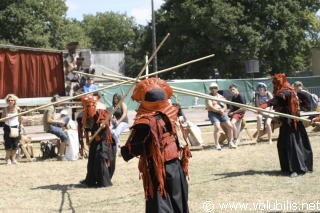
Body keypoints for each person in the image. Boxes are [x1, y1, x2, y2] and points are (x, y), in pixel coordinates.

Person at [121, 78, 191, 213]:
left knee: (161, 205)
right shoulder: (172, 113)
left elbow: (133, 149)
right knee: (177, 203)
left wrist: (125, 151)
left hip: (159, 168)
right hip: (176, 165)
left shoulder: (145, 122)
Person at [259, 73, 313, 178]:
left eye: (277, 82)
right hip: (286, 123)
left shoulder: (286, 91)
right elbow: (277, 102)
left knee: (292, 146)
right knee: (282, 144)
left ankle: (296, 169)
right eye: (274, 83)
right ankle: (287, 167)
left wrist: (263, 105)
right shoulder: (281, 91)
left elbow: (275, 100)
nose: (275, 84)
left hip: (292, 123)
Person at [80, 94, 116, 187]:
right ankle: (91, 180)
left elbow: (105, 122)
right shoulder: (86, 114)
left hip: (104, 138)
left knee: (100, 158)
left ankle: (103, 182)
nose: (88, 107)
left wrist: (103, 124)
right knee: (92, 159)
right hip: (94, 138)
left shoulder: (101, 110)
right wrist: (87, 140)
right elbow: (87, 127)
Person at [205, 82, 235, 150]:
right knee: (217, 127)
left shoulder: (221, 97)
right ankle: (217, 144)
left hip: (221, 113)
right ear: (210, 89)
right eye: (212, 88)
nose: (213, 89)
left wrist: (222, 110)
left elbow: (225, 106)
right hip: (213, 114)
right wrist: (219, 111)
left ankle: (230, 142)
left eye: (215, 88)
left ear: (217, 89)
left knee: (230, 126)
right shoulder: (208, 97)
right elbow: (210, 107)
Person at [43, 94, 69, 161]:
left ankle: (64, 129)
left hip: (54, 125)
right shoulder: (50, 108)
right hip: (49, 127)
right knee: (65, 137)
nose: (60, 103)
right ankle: (61, 155)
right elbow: (48, 120)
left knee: (67, 118)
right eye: (59, 101)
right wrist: (58, 122)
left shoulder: (53, 107)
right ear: (54, 101)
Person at [1, 94, 23, 165]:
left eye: (12, 100)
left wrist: (21, 125)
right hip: (8, 128)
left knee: (15, 144)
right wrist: (7, 118)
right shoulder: (5, 109)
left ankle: (13, 159)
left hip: (16, 127)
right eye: (9, 100)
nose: (10, 101)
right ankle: (7, 159)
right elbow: (2, 120)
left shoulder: (18, 109)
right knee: (8, 144)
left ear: (14, 101)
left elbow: (20, 118)